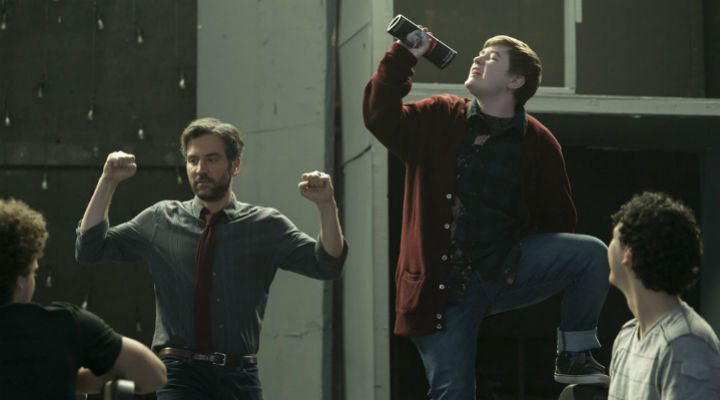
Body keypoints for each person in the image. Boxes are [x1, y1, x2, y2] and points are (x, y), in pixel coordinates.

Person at [363, 29, 610, 398]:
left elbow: (558, 223)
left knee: (590, 254)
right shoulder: (440, 116)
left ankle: (574, 354)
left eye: (492, 57)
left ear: (516, 80)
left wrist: (519, 259)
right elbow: (379, 116)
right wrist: (403, 55)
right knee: (454, 391)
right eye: (480, 53)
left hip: (500, 271)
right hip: (441, 292)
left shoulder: (538, 143)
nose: (478, 58)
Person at [75, 117, 348, 399]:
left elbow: (327, 264)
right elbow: (89, 248)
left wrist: (326, 205)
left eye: (212, 159)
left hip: (239, 375)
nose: (201, 169)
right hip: (179, 373)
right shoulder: (161, 219)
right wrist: (108, 180)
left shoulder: (264, 225)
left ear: (235, 165)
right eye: (193, 160)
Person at [0, 198, 167, 399]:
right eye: (33, 272)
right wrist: (70, 377)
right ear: (20, 280)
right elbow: (154, 374)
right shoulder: (65, 325)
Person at [607, 191, 720, 399]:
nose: (608, 247)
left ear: (628, 255)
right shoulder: (627, 337)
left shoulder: (687, 345)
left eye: (613, 238)